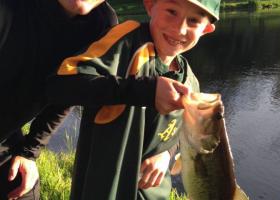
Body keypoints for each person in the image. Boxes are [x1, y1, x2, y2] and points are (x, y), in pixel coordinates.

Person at [47, 0, 221, 199]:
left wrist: (166, 154)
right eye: (171, 11)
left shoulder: (190, 82)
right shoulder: (126, 41)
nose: (179, 28)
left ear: (206, 29)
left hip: (154, 193)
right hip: (105, 189)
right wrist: (146, 91)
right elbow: (59, 86)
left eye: (193, 20)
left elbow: (182, 135)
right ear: (150, 5)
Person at [0, 0, 118, 199]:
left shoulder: (102, 23)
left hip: (7, 136)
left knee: (22, 190)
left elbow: (68, 91)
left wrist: (29, 151)